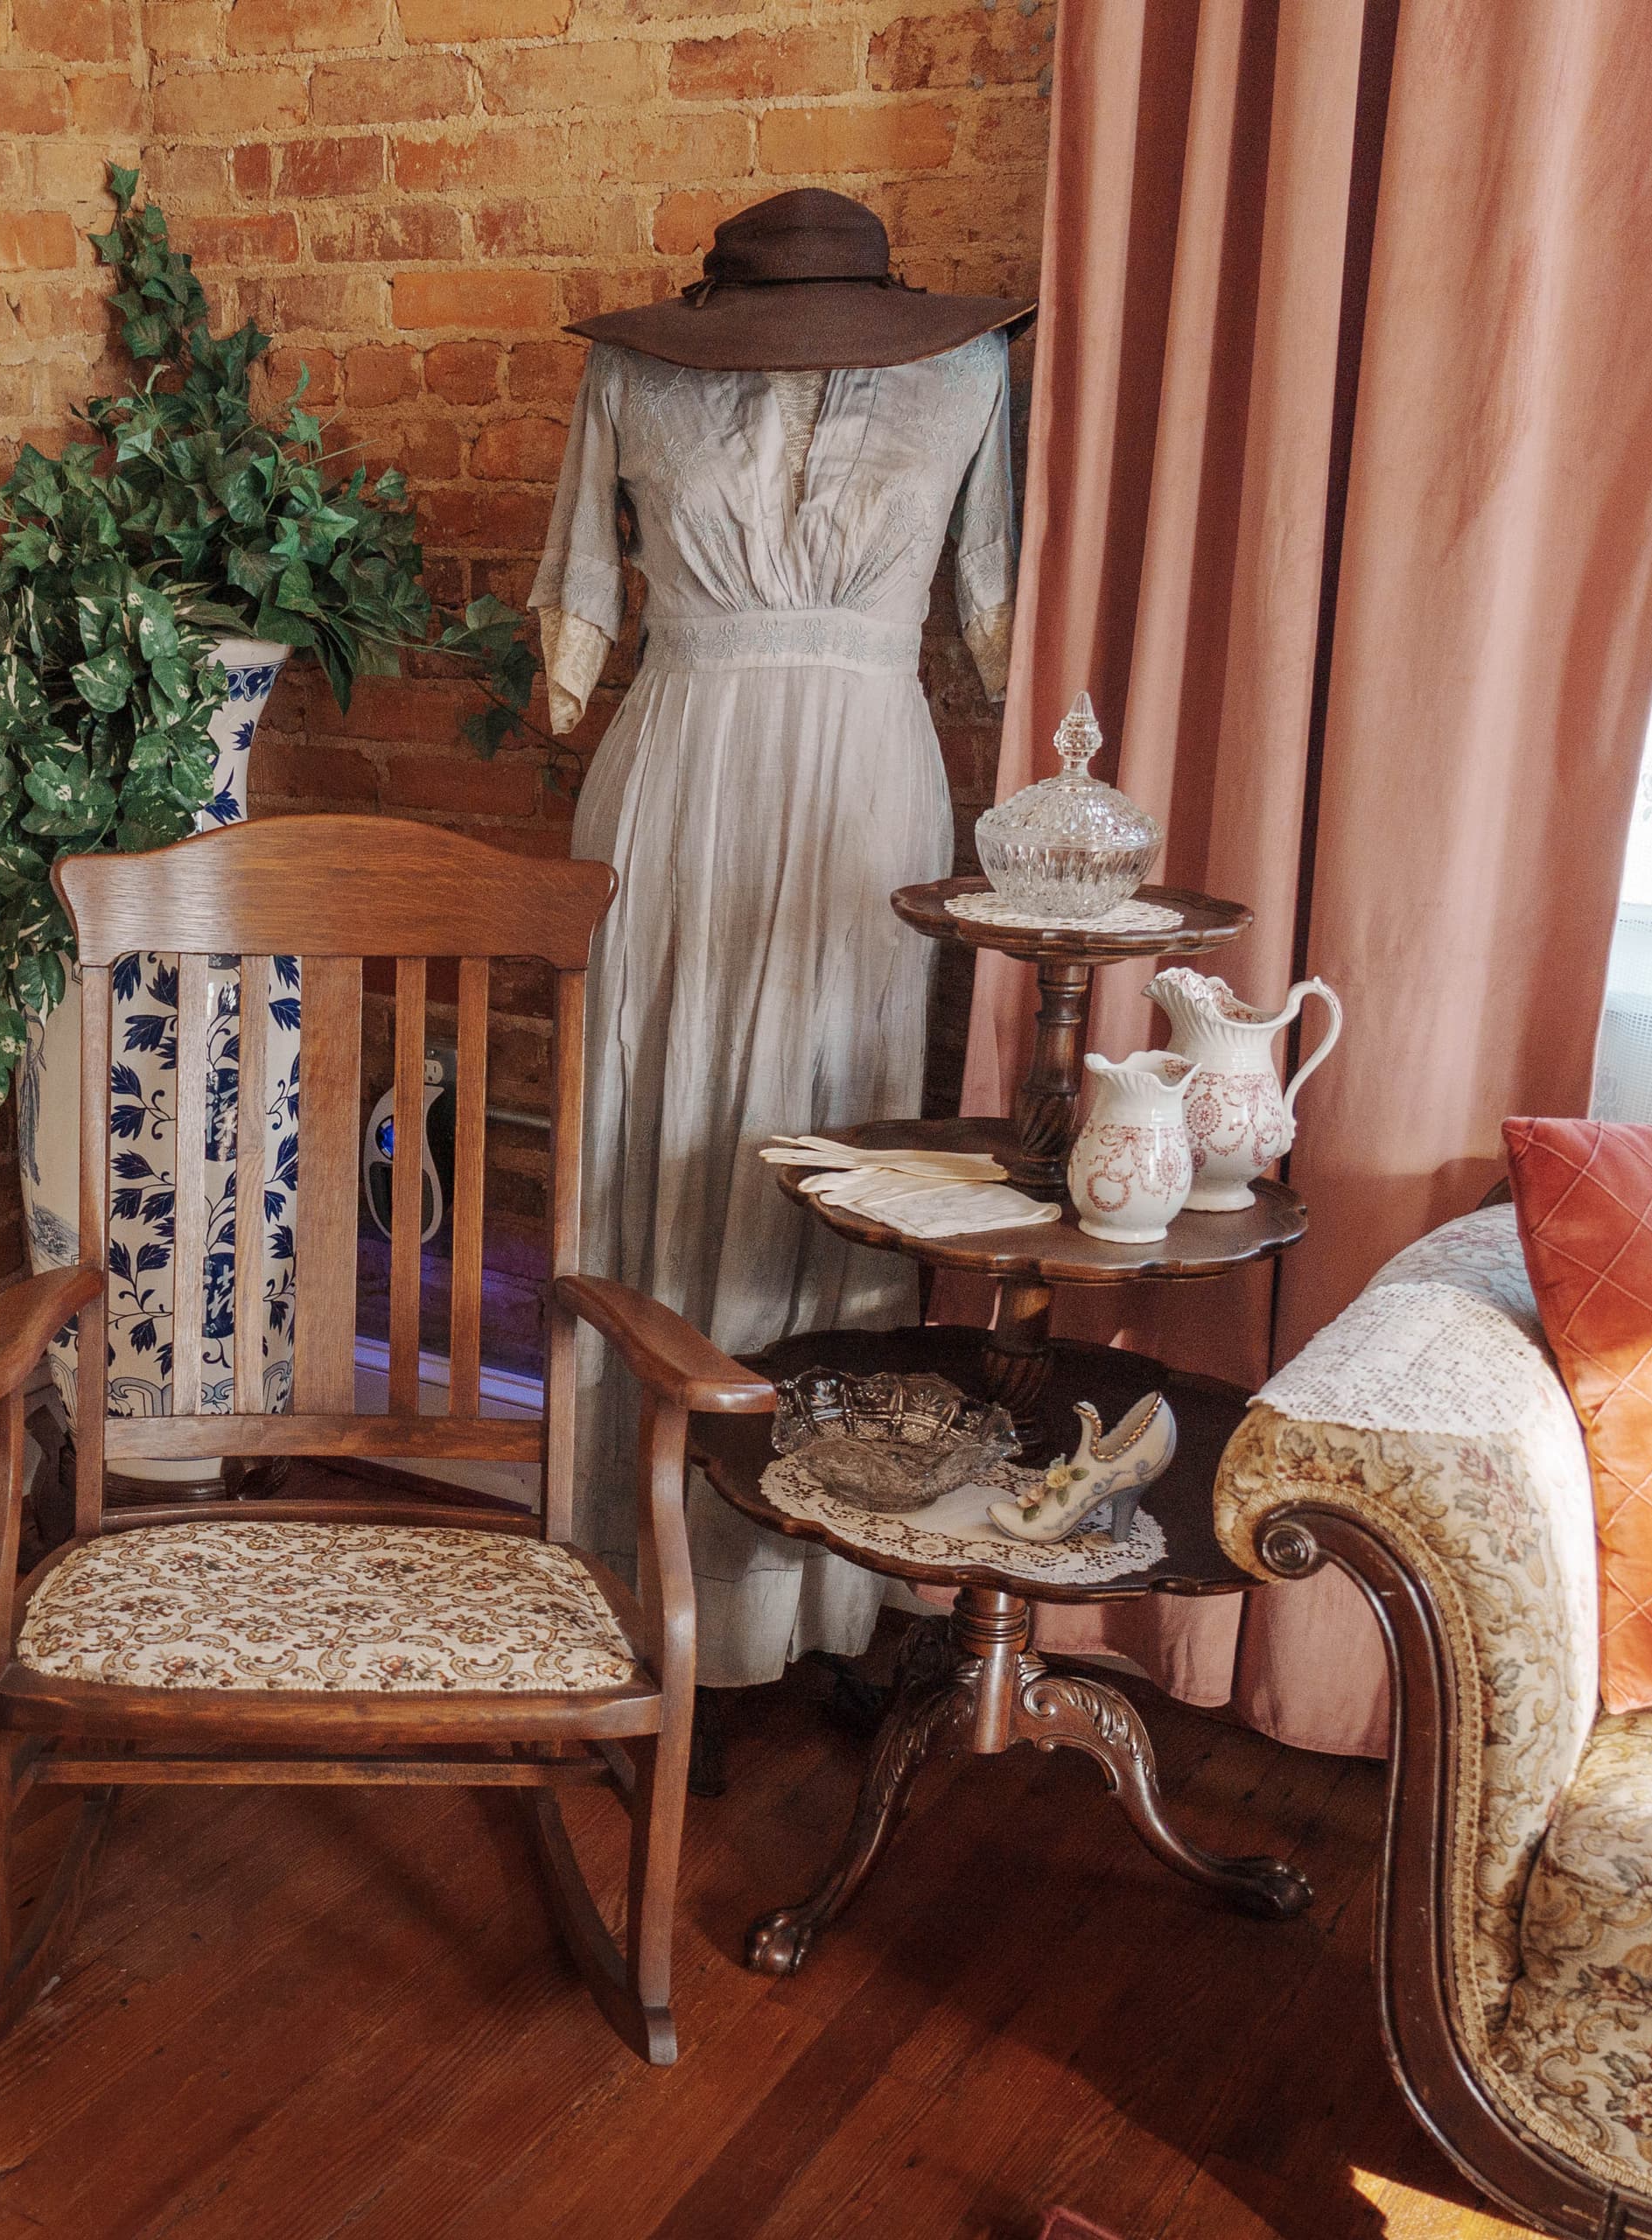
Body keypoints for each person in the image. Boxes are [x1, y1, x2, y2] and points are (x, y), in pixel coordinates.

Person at [531, 189, 1030, 1689]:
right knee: (652, 1114)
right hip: (674, 781)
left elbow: (992, 606)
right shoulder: (628, 372)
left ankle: (812, 1590)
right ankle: (639, 1558)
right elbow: (579, 607)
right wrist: (569, 677)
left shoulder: (971, 372)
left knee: (830, 1145)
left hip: (863, 798)